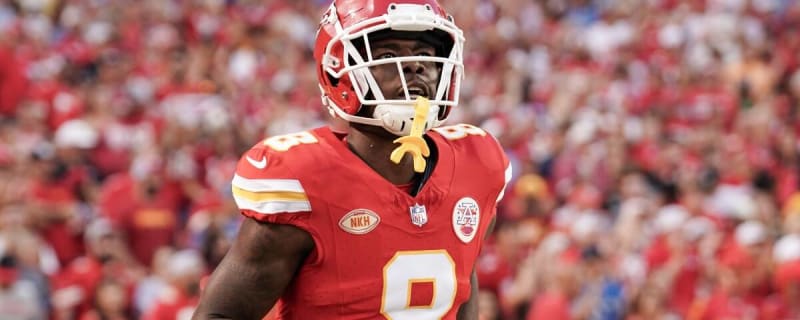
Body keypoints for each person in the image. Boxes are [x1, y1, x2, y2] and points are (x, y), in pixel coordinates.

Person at [193, 0, 510, 319]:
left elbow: (462, 282)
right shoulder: (307, 178)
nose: (415, 66)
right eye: (388, 55)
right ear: (337, 73)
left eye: (425, 55)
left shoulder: (477, 163)